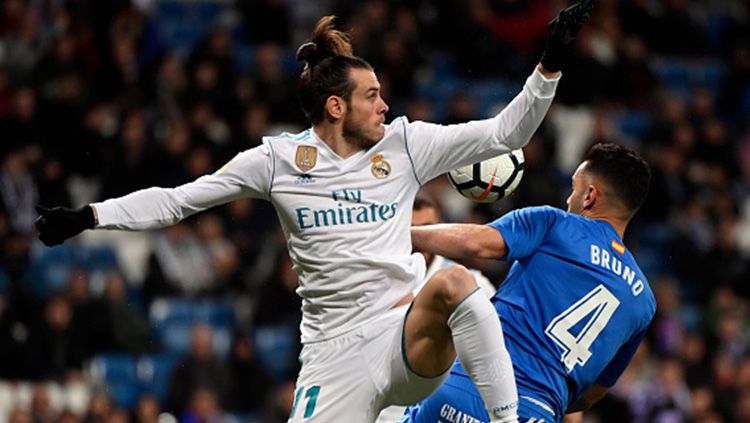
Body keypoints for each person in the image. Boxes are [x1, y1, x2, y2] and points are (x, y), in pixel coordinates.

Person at [35, 4, 594, 420]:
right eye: (372, 95)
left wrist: (547, 65)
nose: (385, 105)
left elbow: (506, 132)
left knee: (453, 284)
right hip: (333, 354)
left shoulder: (404, 144)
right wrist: (89, 216)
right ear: (336, 106)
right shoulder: (277, 160)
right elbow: (181, 199)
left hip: (402, 335)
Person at [402, 143, 656, 423]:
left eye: (574, 188)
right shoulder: (644, 300)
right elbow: (593, 393)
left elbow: (474, 243)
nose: (569, 199)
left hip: (471, 390)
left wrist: (398, 234)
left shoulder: (555, 224)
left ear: (590, 196)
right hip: (539, 413)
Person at [376, 196, 497, 422]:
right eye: (408, 230)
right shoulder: (375, 281)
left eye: (425, 229)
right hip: (383, 409)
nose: (416, 239)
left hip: (445, 409)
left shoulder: (474, 286)